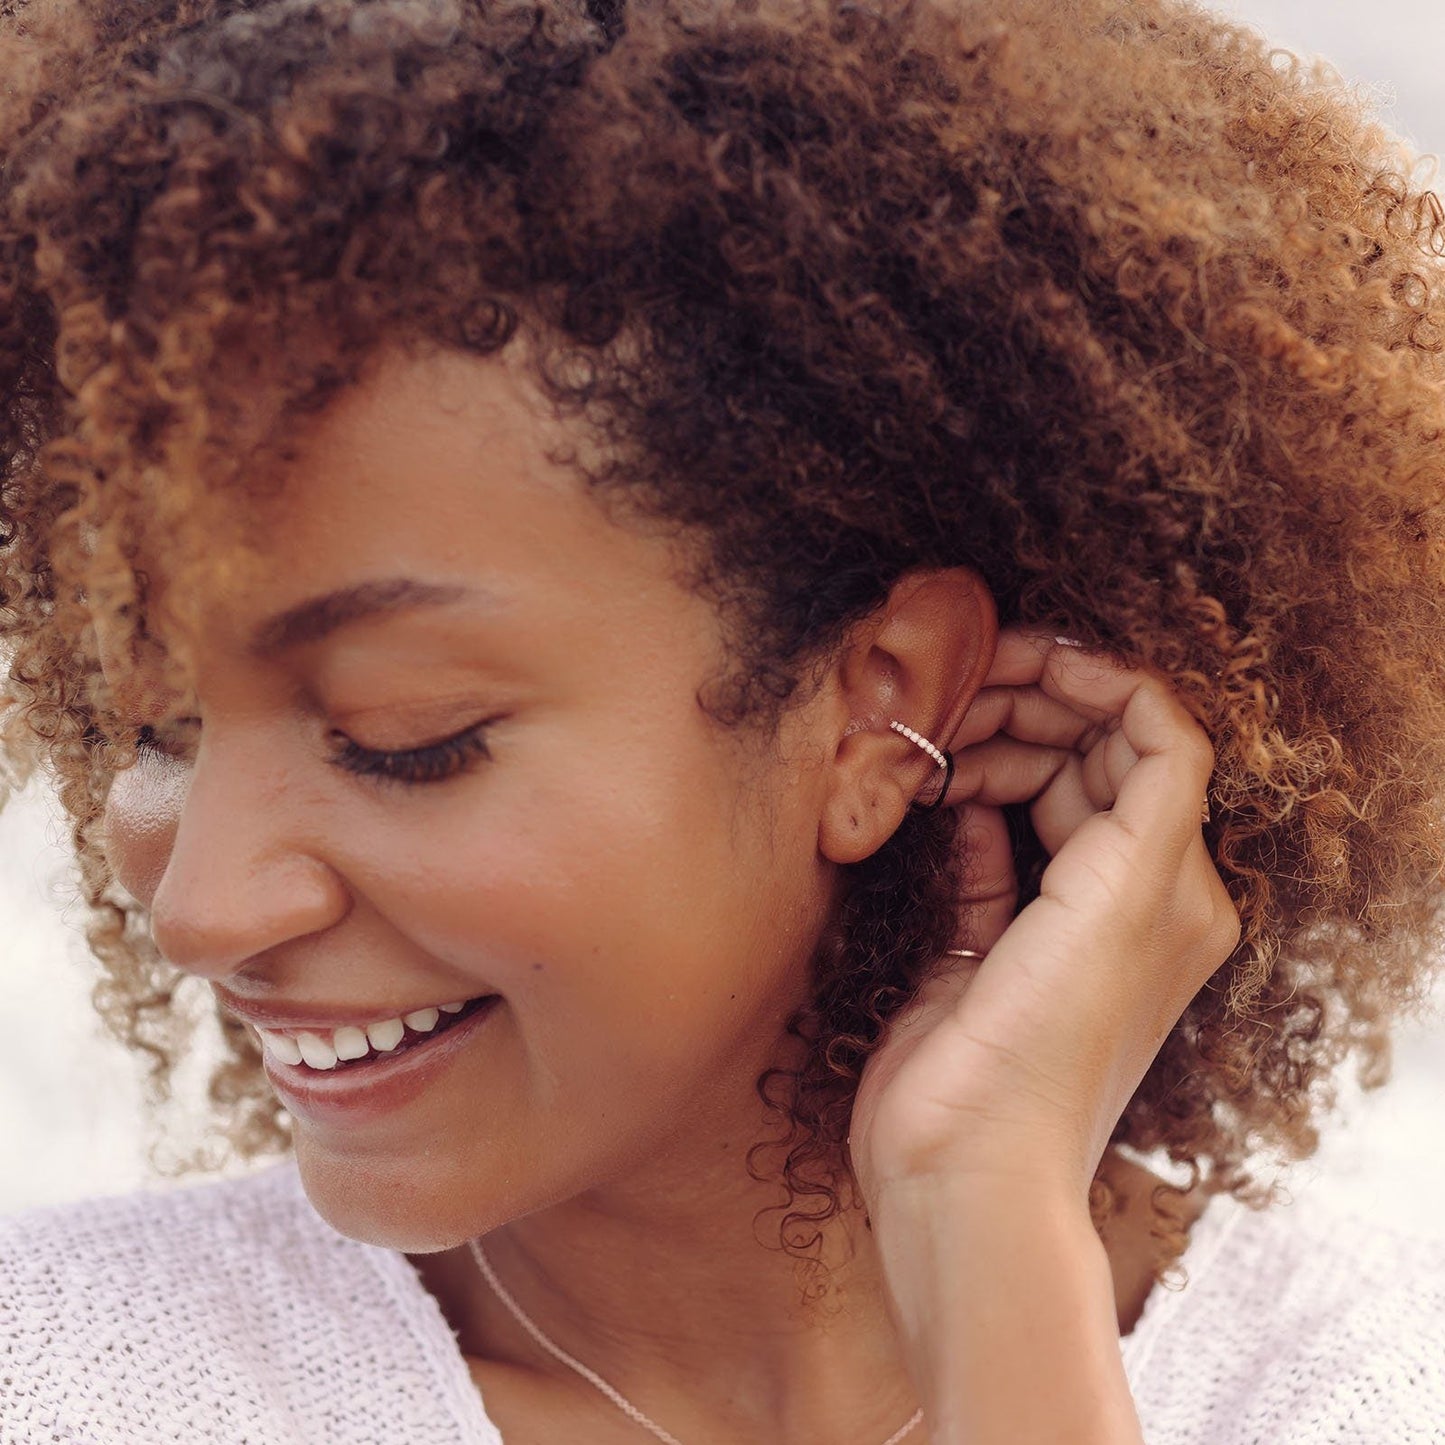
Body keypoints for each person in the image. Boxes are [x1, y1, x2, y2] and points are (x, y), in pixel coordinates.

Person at [2, 0, 1443, 1440]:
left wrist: (988, 1226)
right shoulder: (62, 1376)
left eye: (404, 736)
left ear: (877, 704)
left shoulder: (1370, 1388)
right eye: (152, 731)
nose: (199, 911)